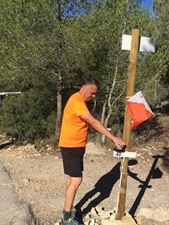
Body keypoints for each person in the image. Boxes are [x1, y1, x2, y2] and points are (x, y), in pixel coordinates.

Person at [58, 77, 126, 225]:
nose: (93, 96)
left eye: (95, 94)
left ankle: (67, 210)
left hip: (74, 145)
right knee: (76, 180)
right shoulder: (77, 101)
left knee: (71, 179)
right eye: (92, 92)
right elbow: (92, 121)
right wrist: (113, 137)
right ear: (83, 87)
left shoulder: (79, 101)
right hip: (71, 146)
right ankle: (66, 219)